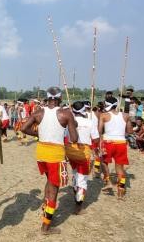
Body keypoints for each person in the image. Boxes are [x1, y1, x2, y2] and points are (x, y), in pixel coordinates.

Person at [22, 87, 78, 234]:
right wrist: (73, 122)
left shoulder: (39, 112)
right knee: (54, 188)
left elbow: (23, 128)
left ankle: (45, 208)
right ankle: (46, 226)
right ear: (59, 98)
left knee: (49, 181)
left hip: (41, 152)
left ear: (48, 98)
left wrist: (39, 135)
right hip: (55, 154)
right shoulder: (66, 113)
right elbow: (75, 138)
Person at [67, 101, 99, 214]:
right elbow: (96, 139)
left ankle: (76, 194)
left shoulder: (69, 121)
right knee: (83, 179)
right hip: (83, 152)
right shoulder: (89, 122)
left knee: (75, 173)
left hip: (70, 151)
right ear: (84, 110)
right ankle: (78, 207)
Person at [98, 96, 133, 200]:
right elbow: (130, 131)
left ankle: (108, 181)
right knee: (120, 168)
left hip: (108, 142)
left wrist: (101, 140)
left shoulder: (103, 115)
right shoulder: (126, 115)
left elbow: (99, 130)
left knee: (104, 162)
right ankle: (120, 193)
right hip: (121, 143)